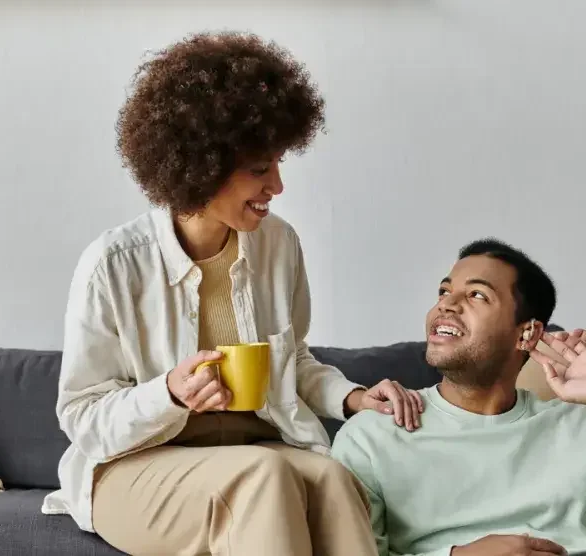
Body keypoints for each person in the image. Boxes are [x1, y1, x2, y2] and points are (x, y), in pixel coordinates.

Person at [41, 32, 423, 556]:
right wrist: (169, 393)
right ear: (201, 165)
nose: (279, 186)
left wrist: (352, 398)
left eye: (279, 163)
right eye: (259, 169)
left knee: (333, 480)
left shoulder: (279, 245)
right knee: (265, 475)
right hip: (135, 466)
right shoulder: (113, 265)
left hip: (251, 450)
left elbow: (295, 362)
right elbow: (83, 417)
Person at [331, 238, 586, 556]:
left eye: (476, 295)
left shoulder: (579, 427)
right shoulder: (373, 433)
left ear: (526, 333)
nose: (446, 305)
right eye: (444, 290)